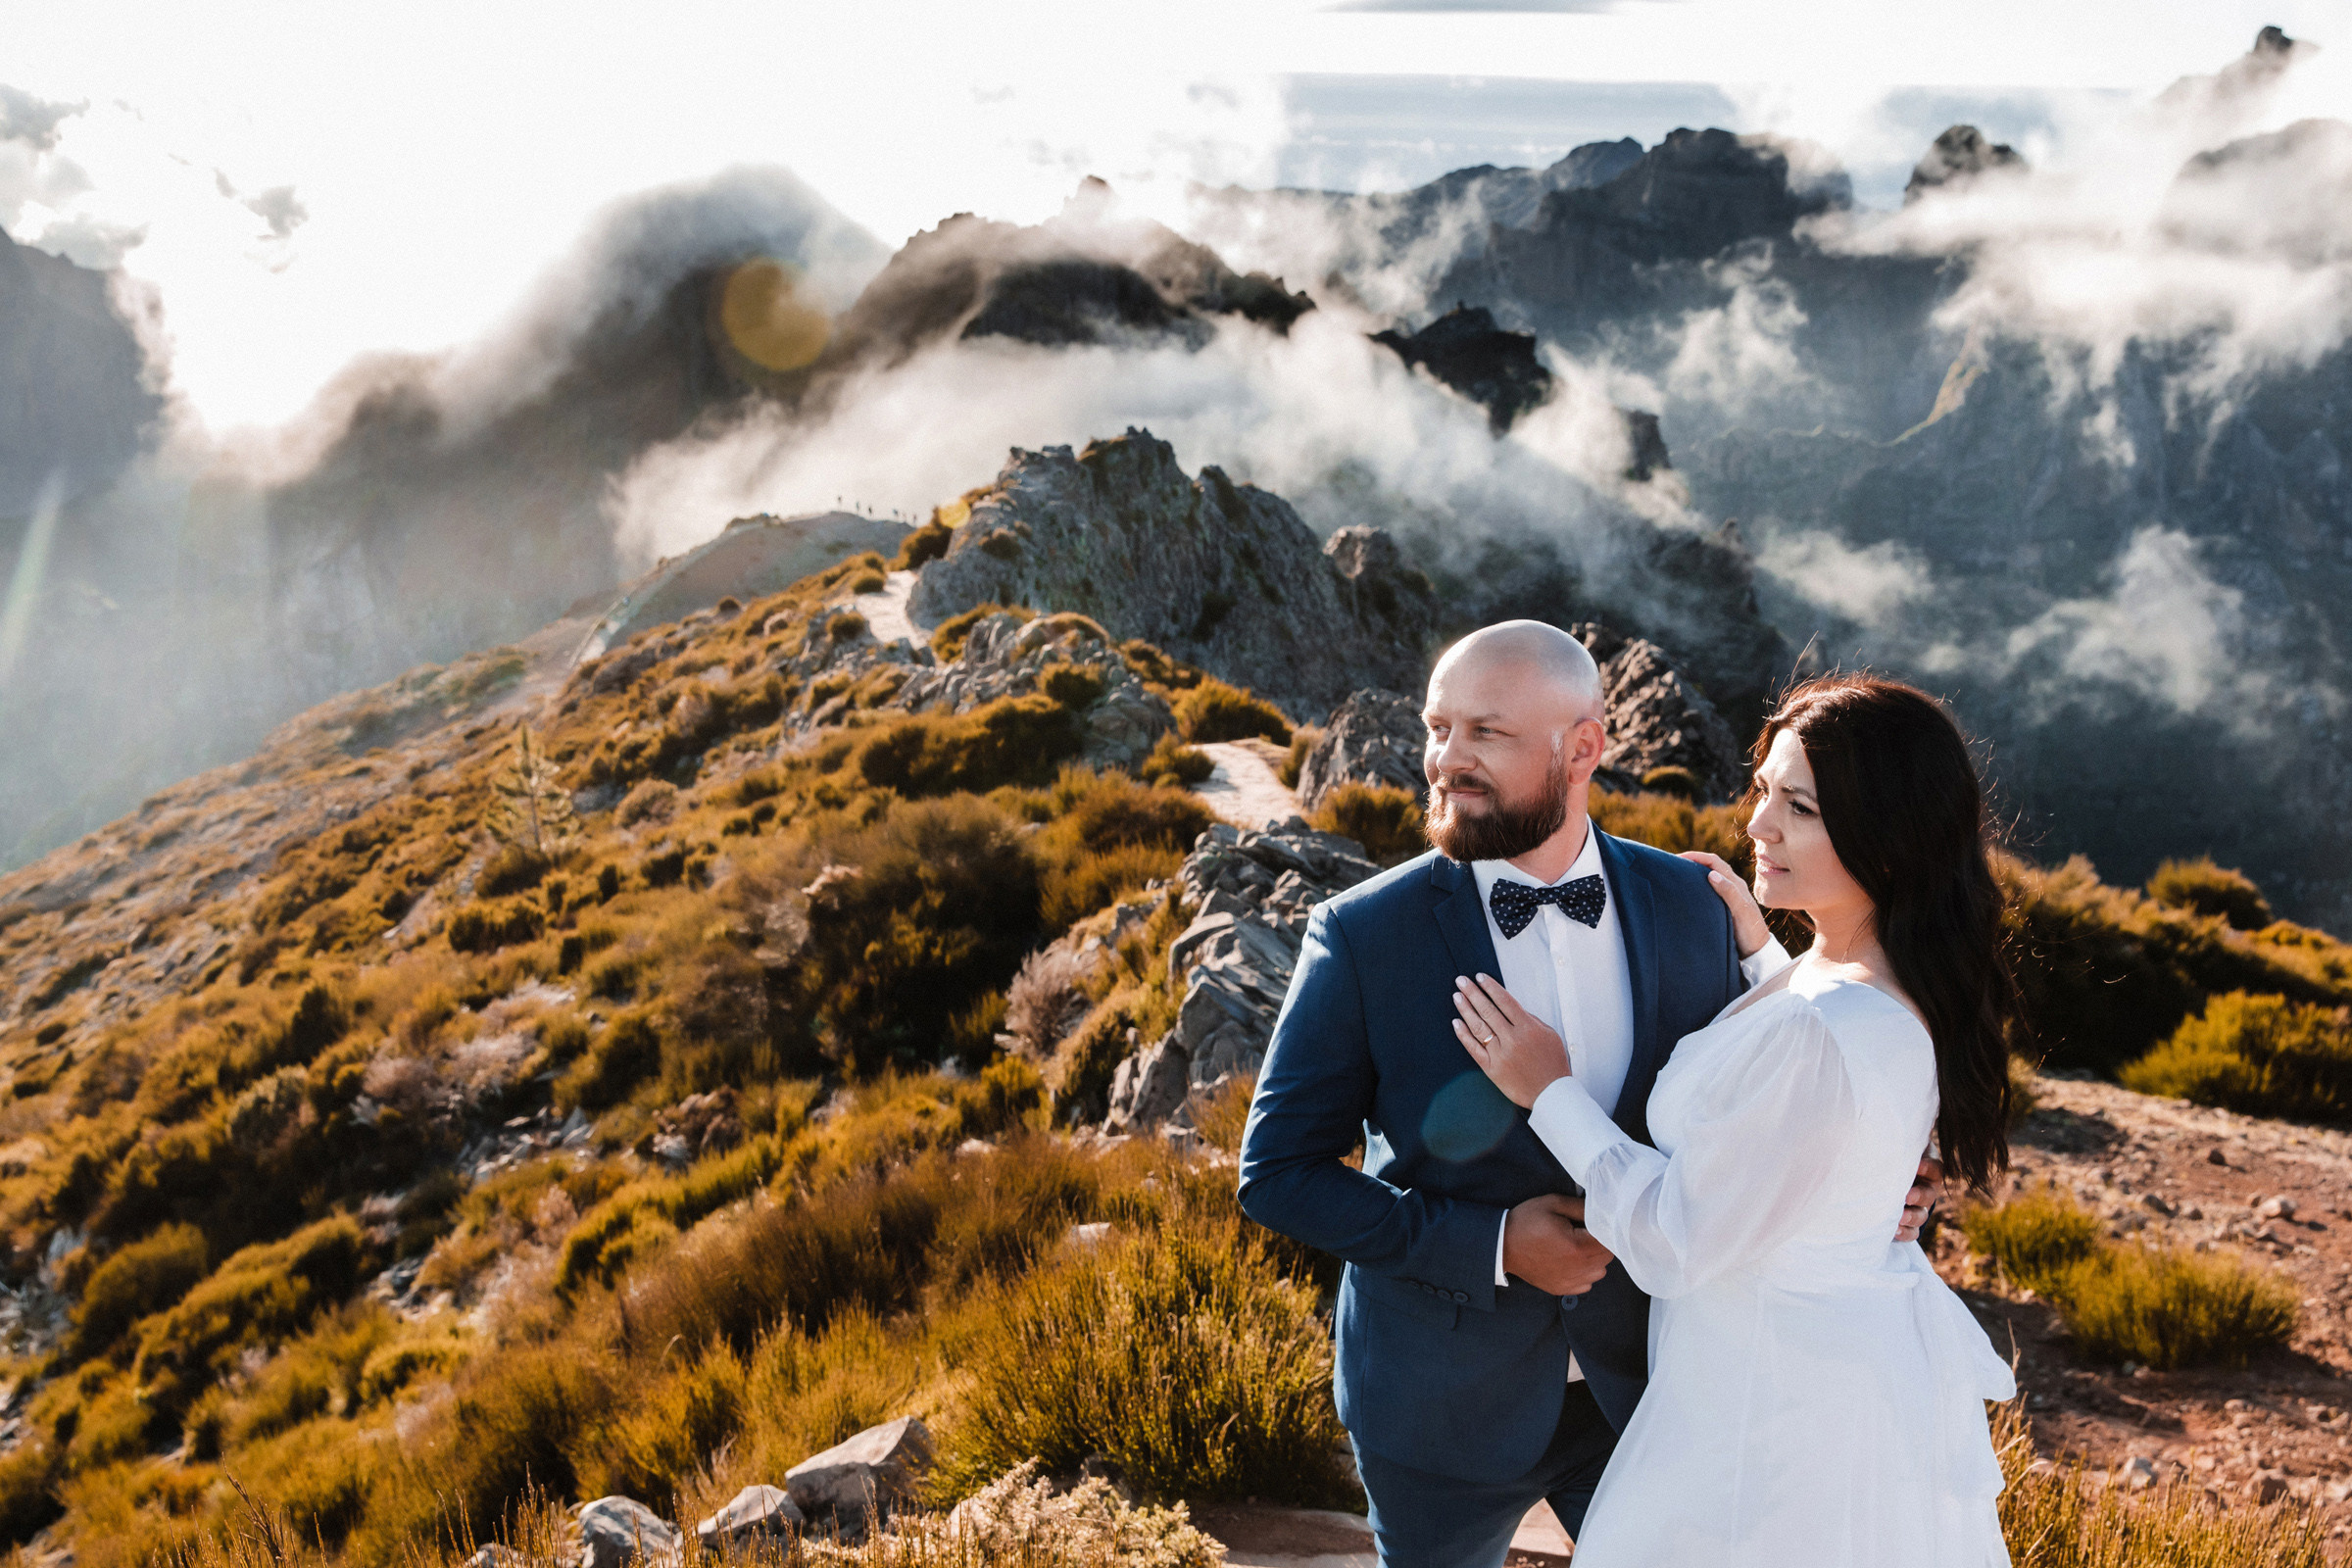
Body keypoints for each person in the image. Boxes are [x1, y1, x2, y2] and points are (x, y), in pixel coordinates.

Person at [1237, 622, 1942, 1567]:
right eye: (1436, 728)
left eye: (1485, 733)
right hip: (1438, 1409)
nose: (1446, 761)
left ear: (1583, 749)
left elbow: (1785, 1094)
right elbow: (1276, 1174)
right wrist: (1490, 1246)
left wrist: (1872, 1187)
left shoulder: (1694, 906)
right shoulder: (1363, 935)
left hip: (1656, 1386)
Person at [1451, 669, 2020, 1566]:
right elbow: (1819, 1084)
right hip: (1831, 1391)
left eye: (1800, 807)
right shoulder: (1863, 981)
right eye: (1764, 791)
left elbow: (1677, 1241)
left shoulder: (1822, 1023)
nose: (1758, 824)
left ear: (1890, 835)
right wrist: (1762, 950)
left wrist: (1550, 1093)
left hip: (1758, 1421)